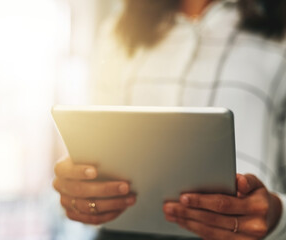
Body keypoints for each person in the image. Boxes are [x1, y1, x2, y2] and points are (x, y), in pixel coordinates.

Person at [53, 0, 286, 239]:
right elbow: (97, 150)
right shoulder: (118, 32)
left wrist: (278, 215)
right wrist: (82, 190)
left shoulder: (280, 31)